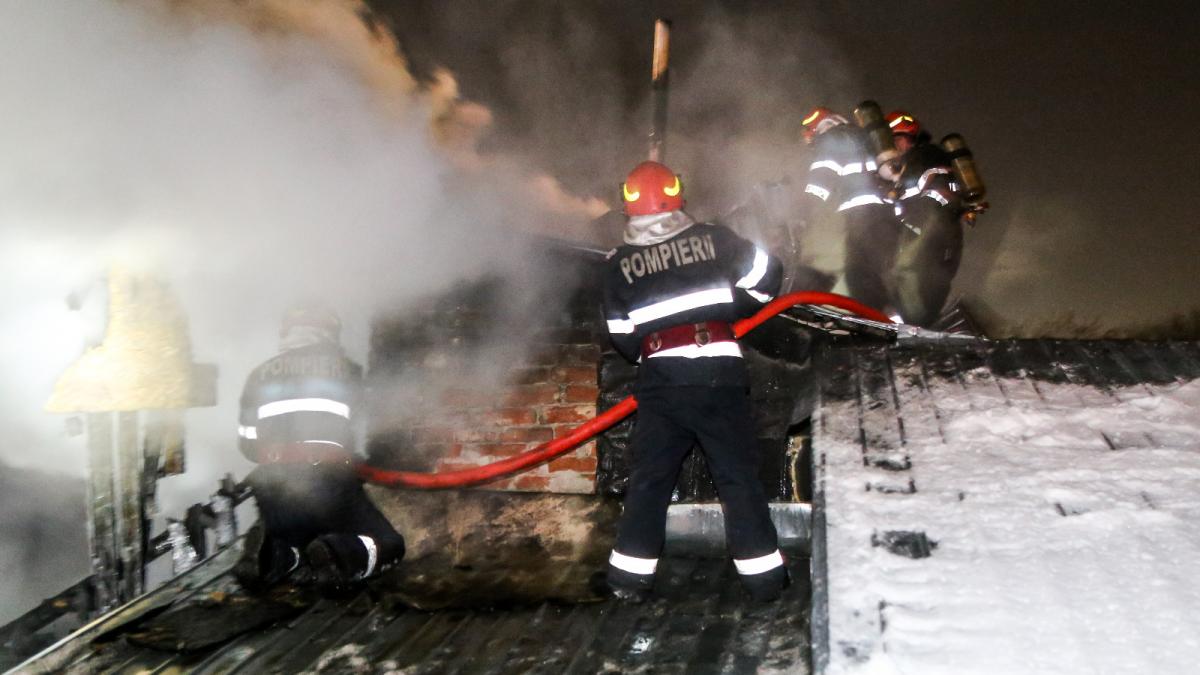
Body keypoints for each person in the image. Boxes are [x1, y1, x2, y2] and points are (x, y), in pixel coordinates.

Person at [602, 160, 789, 602]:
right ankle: (764, 581)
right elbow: (770, 274)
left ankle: (627, 580)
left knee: (649, 480)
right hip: (718, 372)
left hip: (662, 378)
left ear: (628, 206)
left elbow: (621, 336)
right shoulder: (716, 238)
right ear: (677, 196)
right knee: (737, 477)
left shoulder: (617, 266)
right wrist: (736, 305)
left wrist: (655, 343)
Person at [233, 306, 405, 594]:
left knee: (295, 540)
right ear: (329, 333)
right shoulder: (348, 371)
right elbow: (364, 432)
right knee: (389, 544)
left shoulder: (257, 376)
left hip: (273, 488)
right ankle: (334, 553)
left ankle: (274, 556)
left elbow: (247, 445)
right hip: (328, 484)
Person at [800, 106, 900, 313]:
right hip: (887, 215)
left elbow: (821, 181)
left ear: (817, 129)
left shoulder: (831, 139)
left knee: (860, 276)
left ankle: (885, 328)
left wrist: (801, 214)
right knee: (881, 275)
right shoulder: (864, 137)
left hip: (863, 216)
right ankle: (901, 320)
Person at [885, 110, 964, 326]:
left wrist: (893, 191)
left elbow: (912, 196)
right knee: (930, 280)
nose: (892, 148)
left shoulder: (919, 158)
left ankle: (917, 327)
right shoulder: (932, 155)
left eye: (895, 141)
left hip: (930, 225)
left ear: (903, 139)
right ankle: (932, 324)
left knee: (904, 269)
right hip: (945, 228)